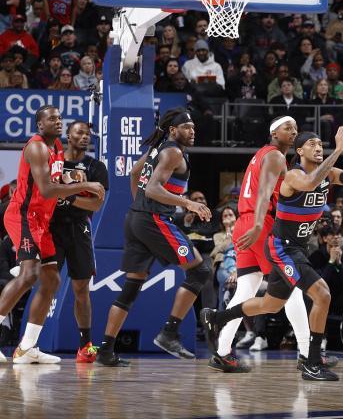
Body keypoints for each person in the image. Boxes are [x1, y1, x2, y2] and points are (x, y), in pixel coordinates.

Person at [211, 117, 343, 373]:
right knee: (296, 290)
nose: (294, 131)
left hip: (248, 220)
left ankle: (221, 347)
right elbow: (265, 193)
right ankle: (308, 354)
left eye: (296, 128)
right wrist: (259, 225)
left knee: (248, 291)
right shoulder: (276, 157)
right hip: (263, 223)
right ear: (274, 133)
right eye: (288, 128)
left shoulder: (267, 156)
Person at [97, 109, 211, 367]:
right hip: (154, 220)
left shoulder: (157, 148)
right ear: (173, 130)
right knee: (199, 271)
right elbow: (152, 188)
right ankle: (169, 333)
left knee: (131, 287)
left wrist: (138, 205)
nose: (192, 131)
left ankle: (106, 350)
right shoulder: (173, 152)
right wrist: (188, 203)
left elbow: (134, 173)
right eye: (187, 127)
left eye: (193, 127)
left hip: (136, 218)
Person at [0, 106, 103, 363]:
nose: (58, 122)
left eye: (59, 118)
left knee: (51, 280)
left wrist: (74, 182)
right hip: (24, 216)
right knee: (29, 275)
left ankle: (26, 348)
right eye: (52, 119)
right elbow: (46, 189)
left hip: (42, 221)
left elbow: (55, 184)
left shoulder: (56, 144)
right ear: (39, 125)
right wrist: (85, 185)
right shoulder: (37, 148)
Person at [48, 120, 107, 362]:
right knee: (46, 285)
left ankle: (85, 346)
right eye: (79, 132)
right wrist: (67, 195)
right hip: (52, 228)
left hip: (79, 228)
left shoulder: (96, 167)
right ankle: (29, 343)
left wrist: (66, 198)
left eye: (87, 134)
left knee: (81, 289)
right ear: (68, 135)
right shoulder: (53, 162)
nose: (85, 137)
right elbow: (45, 193)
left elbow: (95, 204)